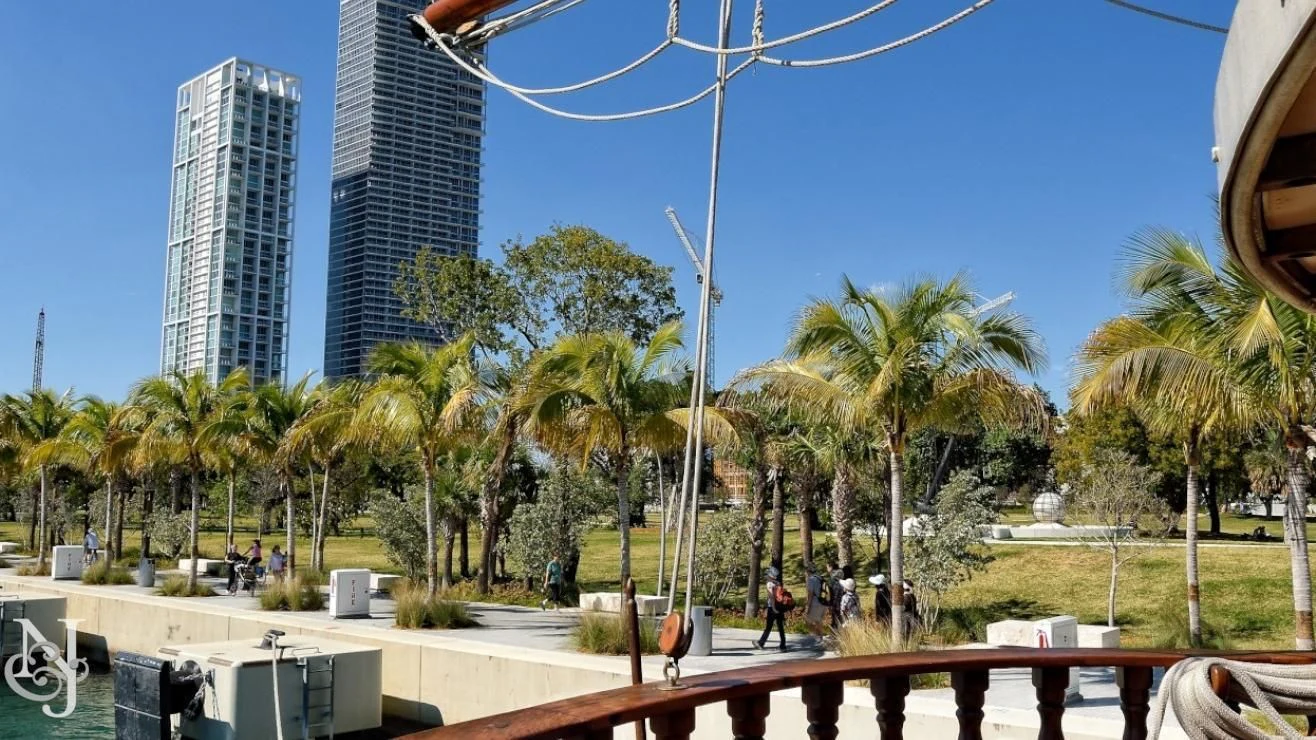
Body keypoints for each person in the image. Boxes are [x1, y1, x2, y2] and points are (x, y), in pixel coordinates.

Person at [754, 566, 788, 651]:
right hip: (780, 607)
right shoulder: (778, 583)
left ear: (770, 575)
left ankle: (761, 643)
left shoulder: (769, 584)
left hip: (772, 608)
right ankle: (783, 646)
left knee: (768, 627)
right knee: (780, 627)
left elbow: (771, 597)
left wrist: (773, 608)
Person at [804, 563, 827, 634]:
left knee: (807, 621)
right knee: (818, 622)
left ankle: (816, 638)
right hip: (823, 603)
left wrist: (807, 607)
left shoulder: (811, 580)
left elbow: (810, 595)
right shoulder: (820, 578)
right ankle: (820, 638)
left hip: (815, 604)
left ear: (808, 571)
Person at [826, 560, 843, 628]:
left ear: (830, 567)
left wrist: (829, 604)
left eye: (827, 567)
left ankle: (835, 635)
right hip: (841, 599)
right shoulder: (841, 574)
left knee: (835, 618)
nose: (827, 569)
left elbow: (830, 591)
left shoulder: (832, 577)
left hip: (835, 601)